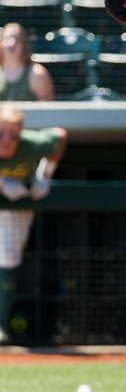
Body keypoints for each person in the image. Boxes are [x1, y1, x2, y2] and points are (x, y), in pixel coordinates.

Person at [0, 105, 67, 345]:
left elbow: (59, 135)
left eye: (13, 135)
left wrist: (46, 173)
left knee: (7, 259)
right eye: (1, 134)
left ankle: (1, 323)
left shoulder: (31, 144)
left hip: (15, 207)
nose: (7, 141)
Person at [0, 23, 54, 102]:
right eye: (7, 38)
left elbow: (48, 111)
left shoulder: (37, 74)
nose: (12, 43)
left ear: (24, 45)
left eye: (17, 39)